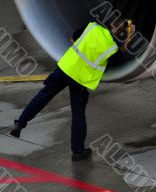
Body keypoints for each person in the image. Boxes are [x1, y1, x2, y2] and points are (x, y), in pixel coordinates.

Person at [9, 18, 135, 161]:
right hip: (80, 80)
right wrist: (128, 39)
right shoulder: (112, 48)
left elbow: (73, 37)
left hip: (65, 68)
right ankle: (78, 151)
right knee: (78, 114)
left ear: (111, 24)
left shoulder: (92, 27)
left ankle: (20, 122)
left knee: (42, 97)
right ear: (121, 34)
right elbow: (121, 57)